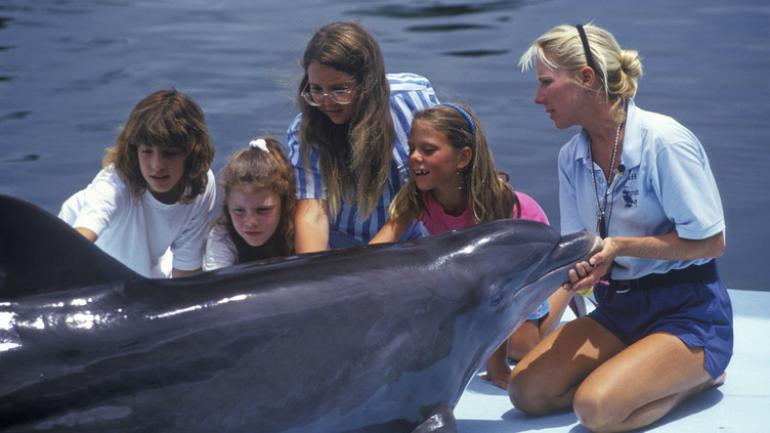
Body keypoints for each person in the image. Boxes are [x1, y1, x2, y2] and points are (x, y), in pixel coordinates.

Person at [509, 23, 731, 432]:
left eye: (546, 83)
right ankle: (641, 370)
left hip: (687, 311)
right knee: (526, 393)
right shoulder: (571, 157)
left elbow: (711, 243)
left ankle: (699, 376)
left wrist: (620, 247)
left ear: (585, 78)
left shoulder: (664, 141)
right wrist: (589, 267)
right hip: (618, 308)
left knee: (596, 409)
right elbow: (585, 247)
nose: (538, 97)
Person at [370, 103, 573, 389]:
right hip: (475, 281)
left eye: (428, 150)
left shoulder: (493, 206)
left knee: (521, 347)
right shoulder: (419, 195)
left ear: (463, 157)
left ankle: (565, 283)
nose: (414, 157)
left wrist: (496, 365)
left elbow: (500, 287)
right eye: (412, 147)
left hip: (527, 268)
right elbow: (379, 246)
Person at [288, 21, 439, 252]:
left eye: (339, 90)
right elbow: (313, 213)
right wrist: (312, 268)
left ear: (367, 83)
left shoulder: (414, 101)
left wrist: (371, 254)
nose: (326, 102)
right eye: (316, 89)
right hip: (342, 243)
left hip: (409, 233)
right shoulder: (304, 131)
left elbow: (431, 182)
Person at [58, 89, 216, 278]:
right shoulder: (113, 184)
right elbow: (84, 232)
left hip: (143, 262)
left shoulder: (201, 184)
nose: (157, 165)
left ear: (191, 154)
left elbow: (186, 271)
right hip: (75, 250)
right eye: (147, 151)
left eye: (170, 153)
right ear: (134, 151)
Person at [203, 136, 296, 270]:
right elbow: (217, 280)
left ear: (283, 202)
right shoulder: (222, 237)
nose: (251, 222)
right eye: (239, 211)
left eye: (262, 210)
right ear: (227, 204)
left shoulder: (299, 231)